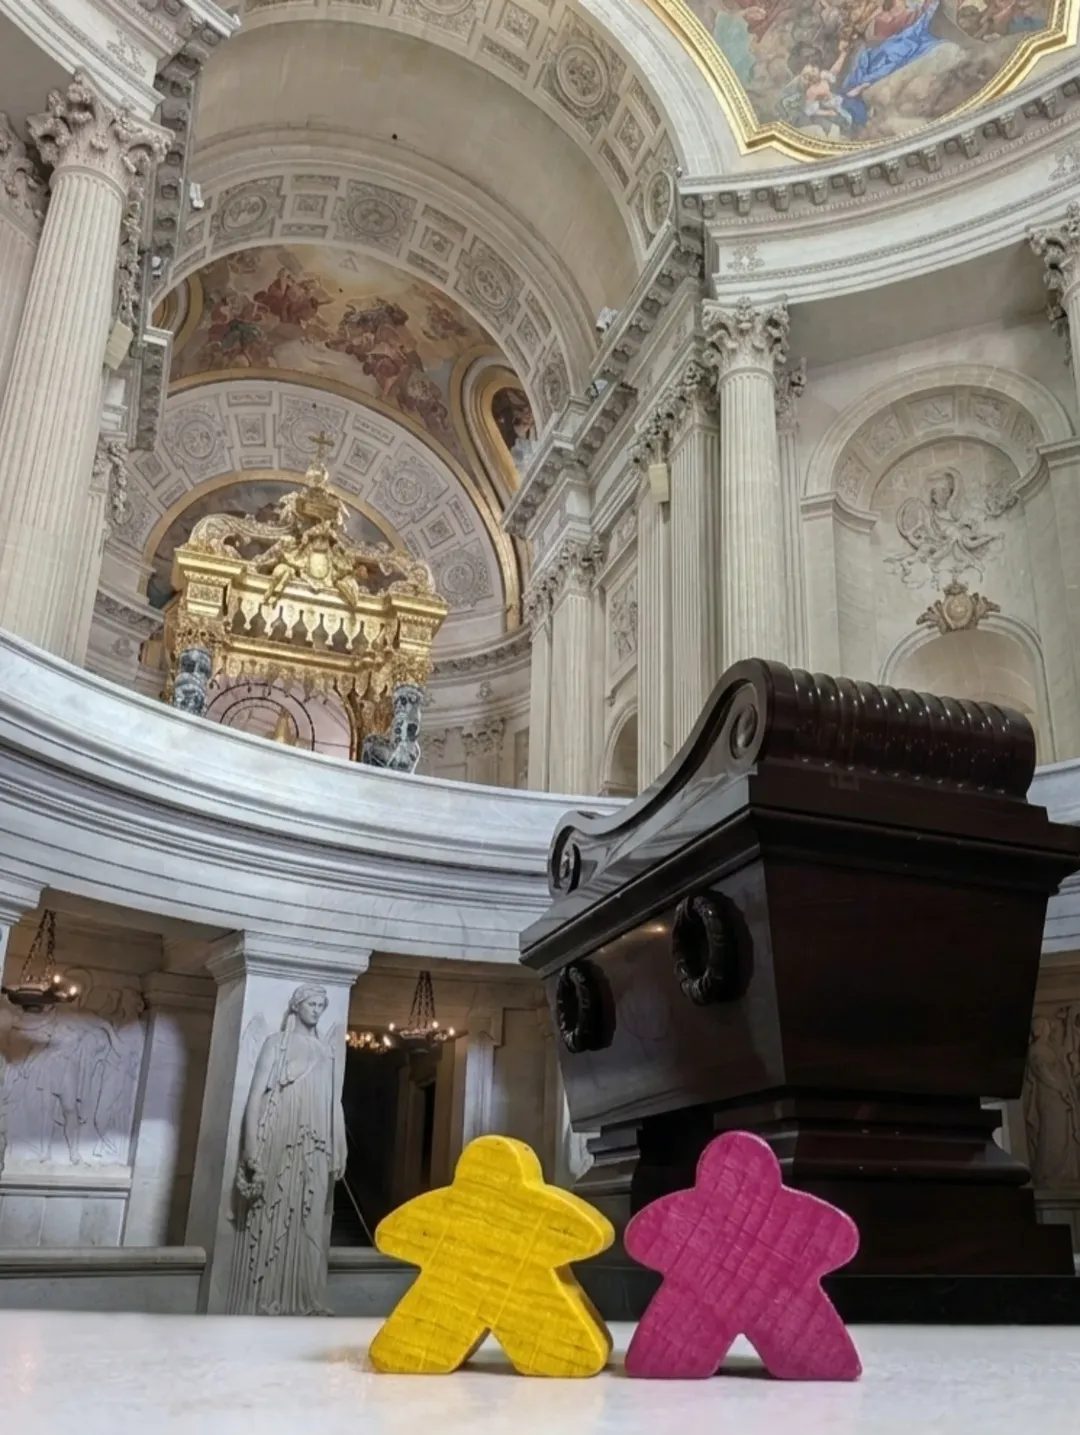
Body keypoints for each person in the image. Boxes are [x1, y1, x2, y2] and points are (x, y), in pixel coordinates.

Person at [226, 984, 346, 1315]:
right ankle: (267, 1296)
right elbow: (255, 1097)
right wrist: (251, 1147)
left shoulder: (326, 1051)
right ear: (296, 1006)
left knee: (312, 1215)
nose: (316, 1010)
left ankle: (306, 1297)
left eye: (321, 1005)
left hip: (316, 1140)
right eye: (311, 1003)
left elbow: (334, 1102)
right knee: (276, 1209)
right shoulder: (276, 1043)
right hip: (282, 1132)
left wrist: (339, 1144)